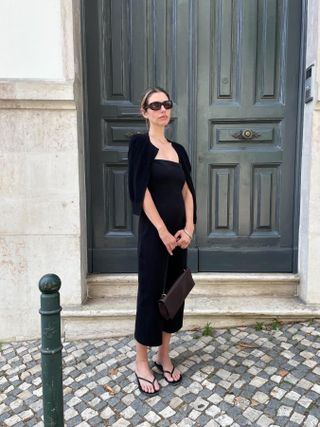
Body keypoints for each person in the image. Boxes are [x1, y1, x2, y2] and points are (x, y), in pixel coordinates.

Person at [128, 87, 197, 395]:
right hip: (155, 235)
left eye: (166, 103)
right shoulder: (140, 145)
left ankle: (163, 355)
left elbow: (187, 192)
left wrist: (189, 228)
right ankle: (141, 361)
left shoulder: (178, 149)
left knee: (173, 294)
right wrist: (162, 231)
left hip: (179, 236)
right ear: (144, 112)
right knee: (150, 294)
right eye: (154, 105)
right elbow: (141, 191)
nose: (162, 109)